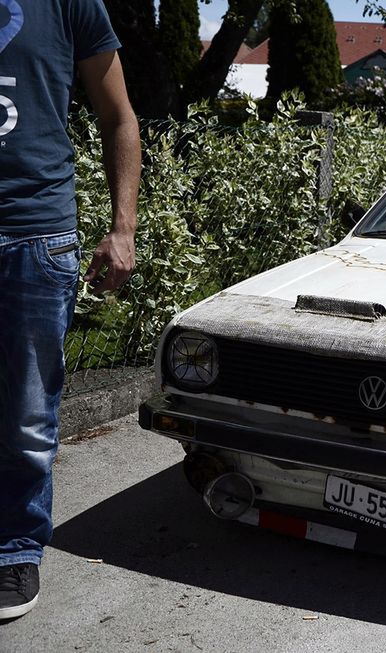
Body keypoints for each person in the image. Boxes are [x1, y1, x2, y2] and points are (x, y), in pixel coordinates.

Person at [0, 0, 140, 620]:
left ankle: (13, 550)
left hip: (35, 234)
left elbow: (119, 117)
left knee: (27, 418)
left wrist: (123, 228)